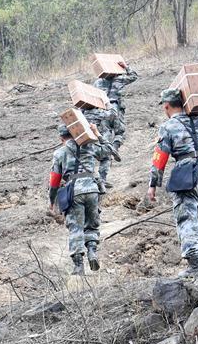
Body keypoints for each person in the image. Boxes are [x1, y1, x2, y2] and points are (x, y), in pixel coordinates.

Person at [147, 89, 198, 276]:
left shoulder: (168, 127)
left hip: (186, 174)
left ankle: (194, 266)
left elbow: (160, 158)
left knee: (186, 219)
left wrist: (153, 184)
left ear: (166, 106)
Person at [48, 125, 103, 275]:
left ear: (61, 138)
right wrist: (97, 134)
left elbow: (54, 181)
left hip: (74, 191)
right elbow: (108, 152)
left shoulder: (60, 153)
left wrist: (51, 201)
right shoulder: (89, 147)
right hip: (92, 189)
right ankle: (92, 251)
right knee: (92, 225)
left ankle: (79, 266)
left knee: (76, 228)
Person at [92, 61, 138, 150]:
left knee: (105, 131)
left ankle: (106, 149)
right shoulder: (119, 79)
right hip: (115, 107)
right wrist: (125, 67)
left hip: (103, 109)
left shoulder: (97, 83)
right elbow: (134, 76)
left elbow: (93, 97)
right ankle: (115, 148)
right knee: (120, 132)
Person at [82, 105, 122, 191]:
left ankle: (92, 179)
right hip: (100, 144)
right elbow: (113, 113)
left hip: (85, 145)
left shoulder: (81, 114)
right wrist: (108, 104)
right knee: (106, 157)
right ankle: (102, 180)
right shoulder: (101, 113)